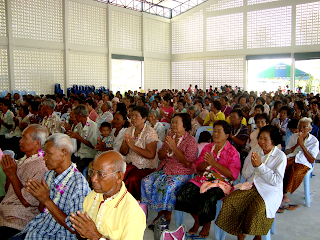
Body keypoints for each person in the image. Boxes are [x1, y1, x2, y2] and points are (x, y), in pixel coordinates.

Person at [10, 133, 91, 240]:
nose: (44, 158)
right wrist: (41, 198)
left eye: (48, 153)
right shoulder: (49, 175)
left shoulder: (78, 184)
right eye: (44, 154)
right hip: (37, 228)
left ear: (64, 153)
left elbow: (75, 229)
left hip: (56, 235)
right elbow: (42, 210)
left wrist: (46, 200)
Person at [215, 125, 286, 240]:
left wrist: (260, 166)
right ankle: (240, 231)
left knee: (258, 208)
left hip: (269, 190)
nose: (261, 142)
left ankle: (255, 234)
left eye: (265, 139)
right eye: (260, 138)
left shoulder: (280, 156)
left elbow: (276, 181)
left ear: (273, 141)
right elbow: (245, 174)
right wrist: (254, 167)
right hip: (251, 186)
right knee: (230, 201)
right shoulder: (255, 151)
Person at [175, 120, 241, 238]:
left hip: (221, 182)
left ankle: (207, 224)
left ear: (226, 135)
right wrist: (206, 164)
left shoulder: (232, 152)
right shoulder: (208, 147)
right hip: (203, 179)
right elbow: (198, 167)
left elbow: (232, 175)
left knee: (206, 198)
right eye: (214, 131)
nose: (215, 134)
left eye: (219, 131)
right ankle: (198, 220)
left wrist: (214, 163)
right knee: (182, 194)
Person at [70, 151, 146, 240]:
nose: (93, 179)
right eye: (92, 172)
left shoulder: (132, 212)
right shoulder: (93, 195)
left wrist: (96, 237)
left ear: (119, 177)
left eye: (100, 174)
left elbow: (91, 235)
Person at [141, 113, 198, 225]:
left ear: (185, 125)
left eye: (177, 122)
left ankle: (166, 214)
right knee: (146, 181)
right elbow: (161, 156)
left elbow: (187, 163)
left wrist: (174, 148)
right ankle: (158, 209)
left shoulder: (191, 141)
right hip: (166, 168)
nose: (174, 124)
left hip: (182, 172)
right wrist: (167, 148)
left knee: (167, 186)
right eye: (173, 122)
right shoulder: (170, 137)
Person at [0, 125, 48, 240]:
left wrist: (12, 175)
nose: (20, 141)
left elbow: (26, 202)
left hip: (18, 219)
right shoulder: (23, 160)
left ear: (37, 143)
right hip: (5, 213)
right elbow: (8, 190)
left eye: (24, 138)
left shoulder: (42, 166)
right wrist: (9, 174)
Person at [120, 106, 158, 199]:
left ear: (144, 119)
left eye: (136, 116)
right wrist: (126, 144)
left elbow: (151, 155)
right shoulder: (129, 130)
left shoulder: (150, 132)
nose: (133, 118)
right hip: (130, 164)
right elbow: (123, 152)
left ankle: (134, 204)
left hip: (145, 166)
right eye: (132, 115)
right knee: (116, 174)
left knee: (132, 179)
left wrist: (133, 146)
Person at [283, 117, 319, 205]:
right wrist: (296, 145)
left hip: (304, 162)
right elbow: (287, 151)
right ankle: (281, 193)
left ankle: (285, 193)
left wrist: (302, 145)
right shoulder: (294, 136)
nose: (301, 129)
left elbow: (311, 159)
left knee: (295, 172)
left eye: (304, 127)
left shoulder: (314, 141)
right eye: (300, 126)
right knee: (282, 168)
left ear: (310, 129)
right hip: (292, 158)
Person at [68, 104, 100, 173]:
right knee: (66, 160)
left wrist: (79, 137)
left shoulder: (93, 126)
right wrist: (73, 136)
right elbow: (78, 142)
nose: (74, 117)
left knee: (78, 167)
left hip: (89, 155)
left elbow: (94, 146)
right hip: (80, 152)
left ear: (79, 115)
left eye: (74, 115)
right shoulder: (79, 125)